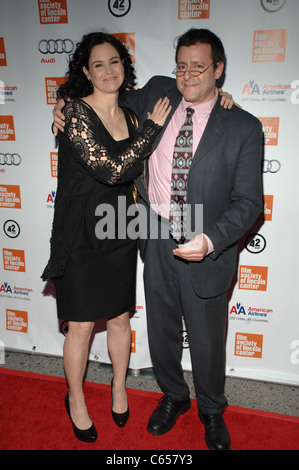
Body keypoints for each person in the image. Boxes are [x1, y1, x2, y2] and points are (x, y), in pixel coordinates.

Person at [52, 29, 256, 451]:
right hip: (151, 231)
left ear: (218, 69)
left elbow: (249, 203)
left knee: (205, 335)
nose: (188, 75)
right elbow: (103, 98)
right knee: (161, 327)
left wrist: (211, 240)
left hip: (205, 239)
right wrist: (61, 103)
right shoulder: (158, 94)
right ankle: (173, 396)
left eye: (198, 67)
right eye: (181, 66)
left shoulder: (243, 126)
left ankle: (212, 409)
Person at [41, 32, 172, 443]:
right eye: (98, 64)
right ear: (86, 71)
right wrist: (151, 131)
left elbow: (188, 87)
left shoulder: (132, 113)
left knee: (119, 317)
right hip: (80, 234)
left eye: (114, 61)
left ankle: (119, 387)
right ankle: (75, 399)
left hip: (119, 230)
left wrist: (225, 98)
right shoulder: (76, 112)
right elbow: (114, 169)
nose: (108, 70)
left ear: (124, 66)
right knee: (80, 326)